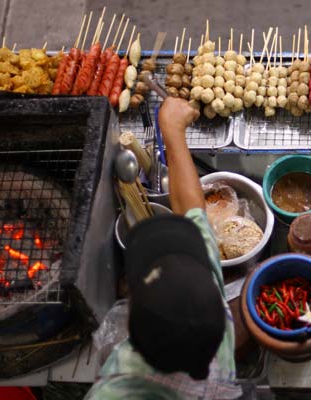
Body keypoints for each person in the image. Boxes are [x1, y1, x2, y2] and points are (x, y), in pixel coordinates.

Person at [85, 98, 241, 399]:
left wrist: (170, 127)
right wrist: (173, 130)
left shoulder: (111, 390)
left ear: (131, 331)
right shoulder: (215, 329)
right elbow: (193, 210)